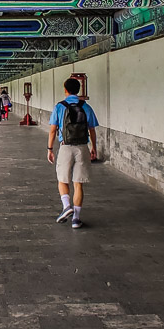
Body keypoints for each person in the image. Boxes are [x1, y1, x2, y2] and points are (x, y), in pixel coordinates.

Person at [47, 77, 98, 229]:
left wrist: (49, 149)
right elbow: (92, 130)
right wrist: (93, 147)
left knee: (62, 179)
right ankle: (76, 219)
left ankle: (66, 206)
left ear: (65, 89)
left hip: (65, 146)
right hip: (82, 147)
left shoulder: (59, 107)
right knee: (78, 184)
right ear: (79, 89)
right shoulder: (86, 107)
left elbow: (52, 130)